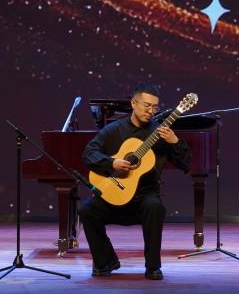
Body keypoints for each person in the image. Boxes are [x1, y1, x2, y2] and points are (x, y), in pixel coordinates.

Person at [79, 83, 191, 280]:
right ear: (133, 103)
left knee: (155, 207)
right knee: (87, 210)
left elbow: (186, 164)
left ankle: (153, 267)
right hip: (114, 194)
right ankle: (105, 262)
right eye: (146, 105)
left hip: (144, 197)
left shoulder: (161, 134)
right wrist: (112, 163)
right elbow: (89, 154)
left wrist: (175, 142)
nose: (151, 111)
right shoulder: (113, 130)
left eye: (155, 107)